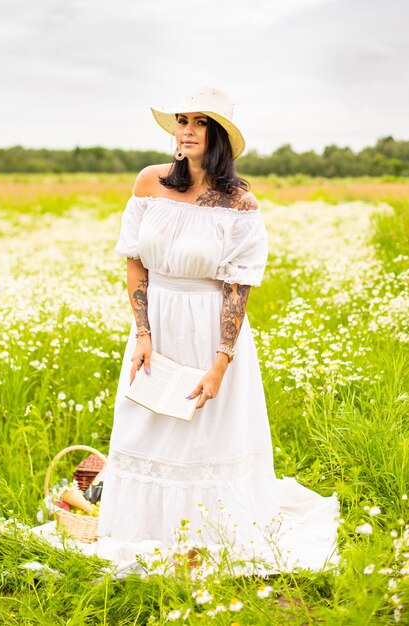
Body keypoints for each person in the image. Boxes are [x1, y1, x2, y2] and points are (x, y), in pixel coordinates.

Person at [97, 86, 338, 574]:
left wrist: (221, 362)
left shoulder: (239, 203)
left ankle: (209, 536)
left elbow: (237, 288)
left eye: (198, 123)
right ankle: (143, 531)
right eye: (181, 121)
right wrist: (142, 335)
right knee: (147, 424)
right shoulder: (150, 181)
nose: (185, 131)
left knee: (206, 433)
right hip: (155, 326)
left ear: (220, 135)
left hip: (210, 331)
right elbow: (135, 263)